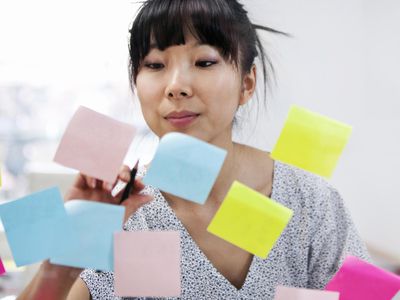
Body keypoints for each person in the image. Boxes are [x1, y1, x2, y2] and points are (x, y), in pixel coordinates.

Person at [18, 0, 369, 299]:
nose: (176, 86)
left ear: (247, 84)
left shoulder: (311, 202)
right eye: (155, 65)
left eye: (204, 62)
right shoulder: (119, 211)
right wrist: (67, 252)